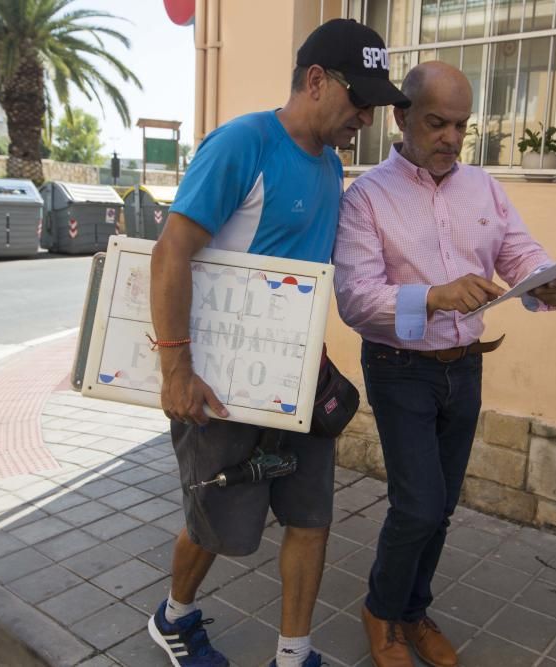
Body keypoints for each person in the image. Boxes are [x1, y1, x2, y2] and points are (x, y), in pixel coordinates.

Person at [147, 19, 410, 667]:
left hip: (298, 381)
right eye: (361, 100)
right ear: (316, 81)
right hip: (221, 384)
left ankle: (294, 653)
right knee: (218, 525)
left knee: (311, 516)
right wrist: (175, 369)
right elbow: (171, 253)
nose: (367, 119)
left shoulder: (329, 168)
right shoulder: (242, 143)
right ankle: (174, 616)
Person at [333, 61, 556, 667]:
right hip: (399, 367)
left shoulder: (483, 188)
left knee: (441, 507)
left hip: (464, 368)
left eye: (460, 127)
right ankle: (381, 612)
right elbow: (355, 298)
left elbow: (518, 251)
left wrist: (547, 281)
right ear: (402, 117)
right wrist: (435, 295)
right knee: (416, 504)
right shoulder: (367, 196)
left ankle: (413, 612)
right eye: (436, 123)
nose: (449, 138)